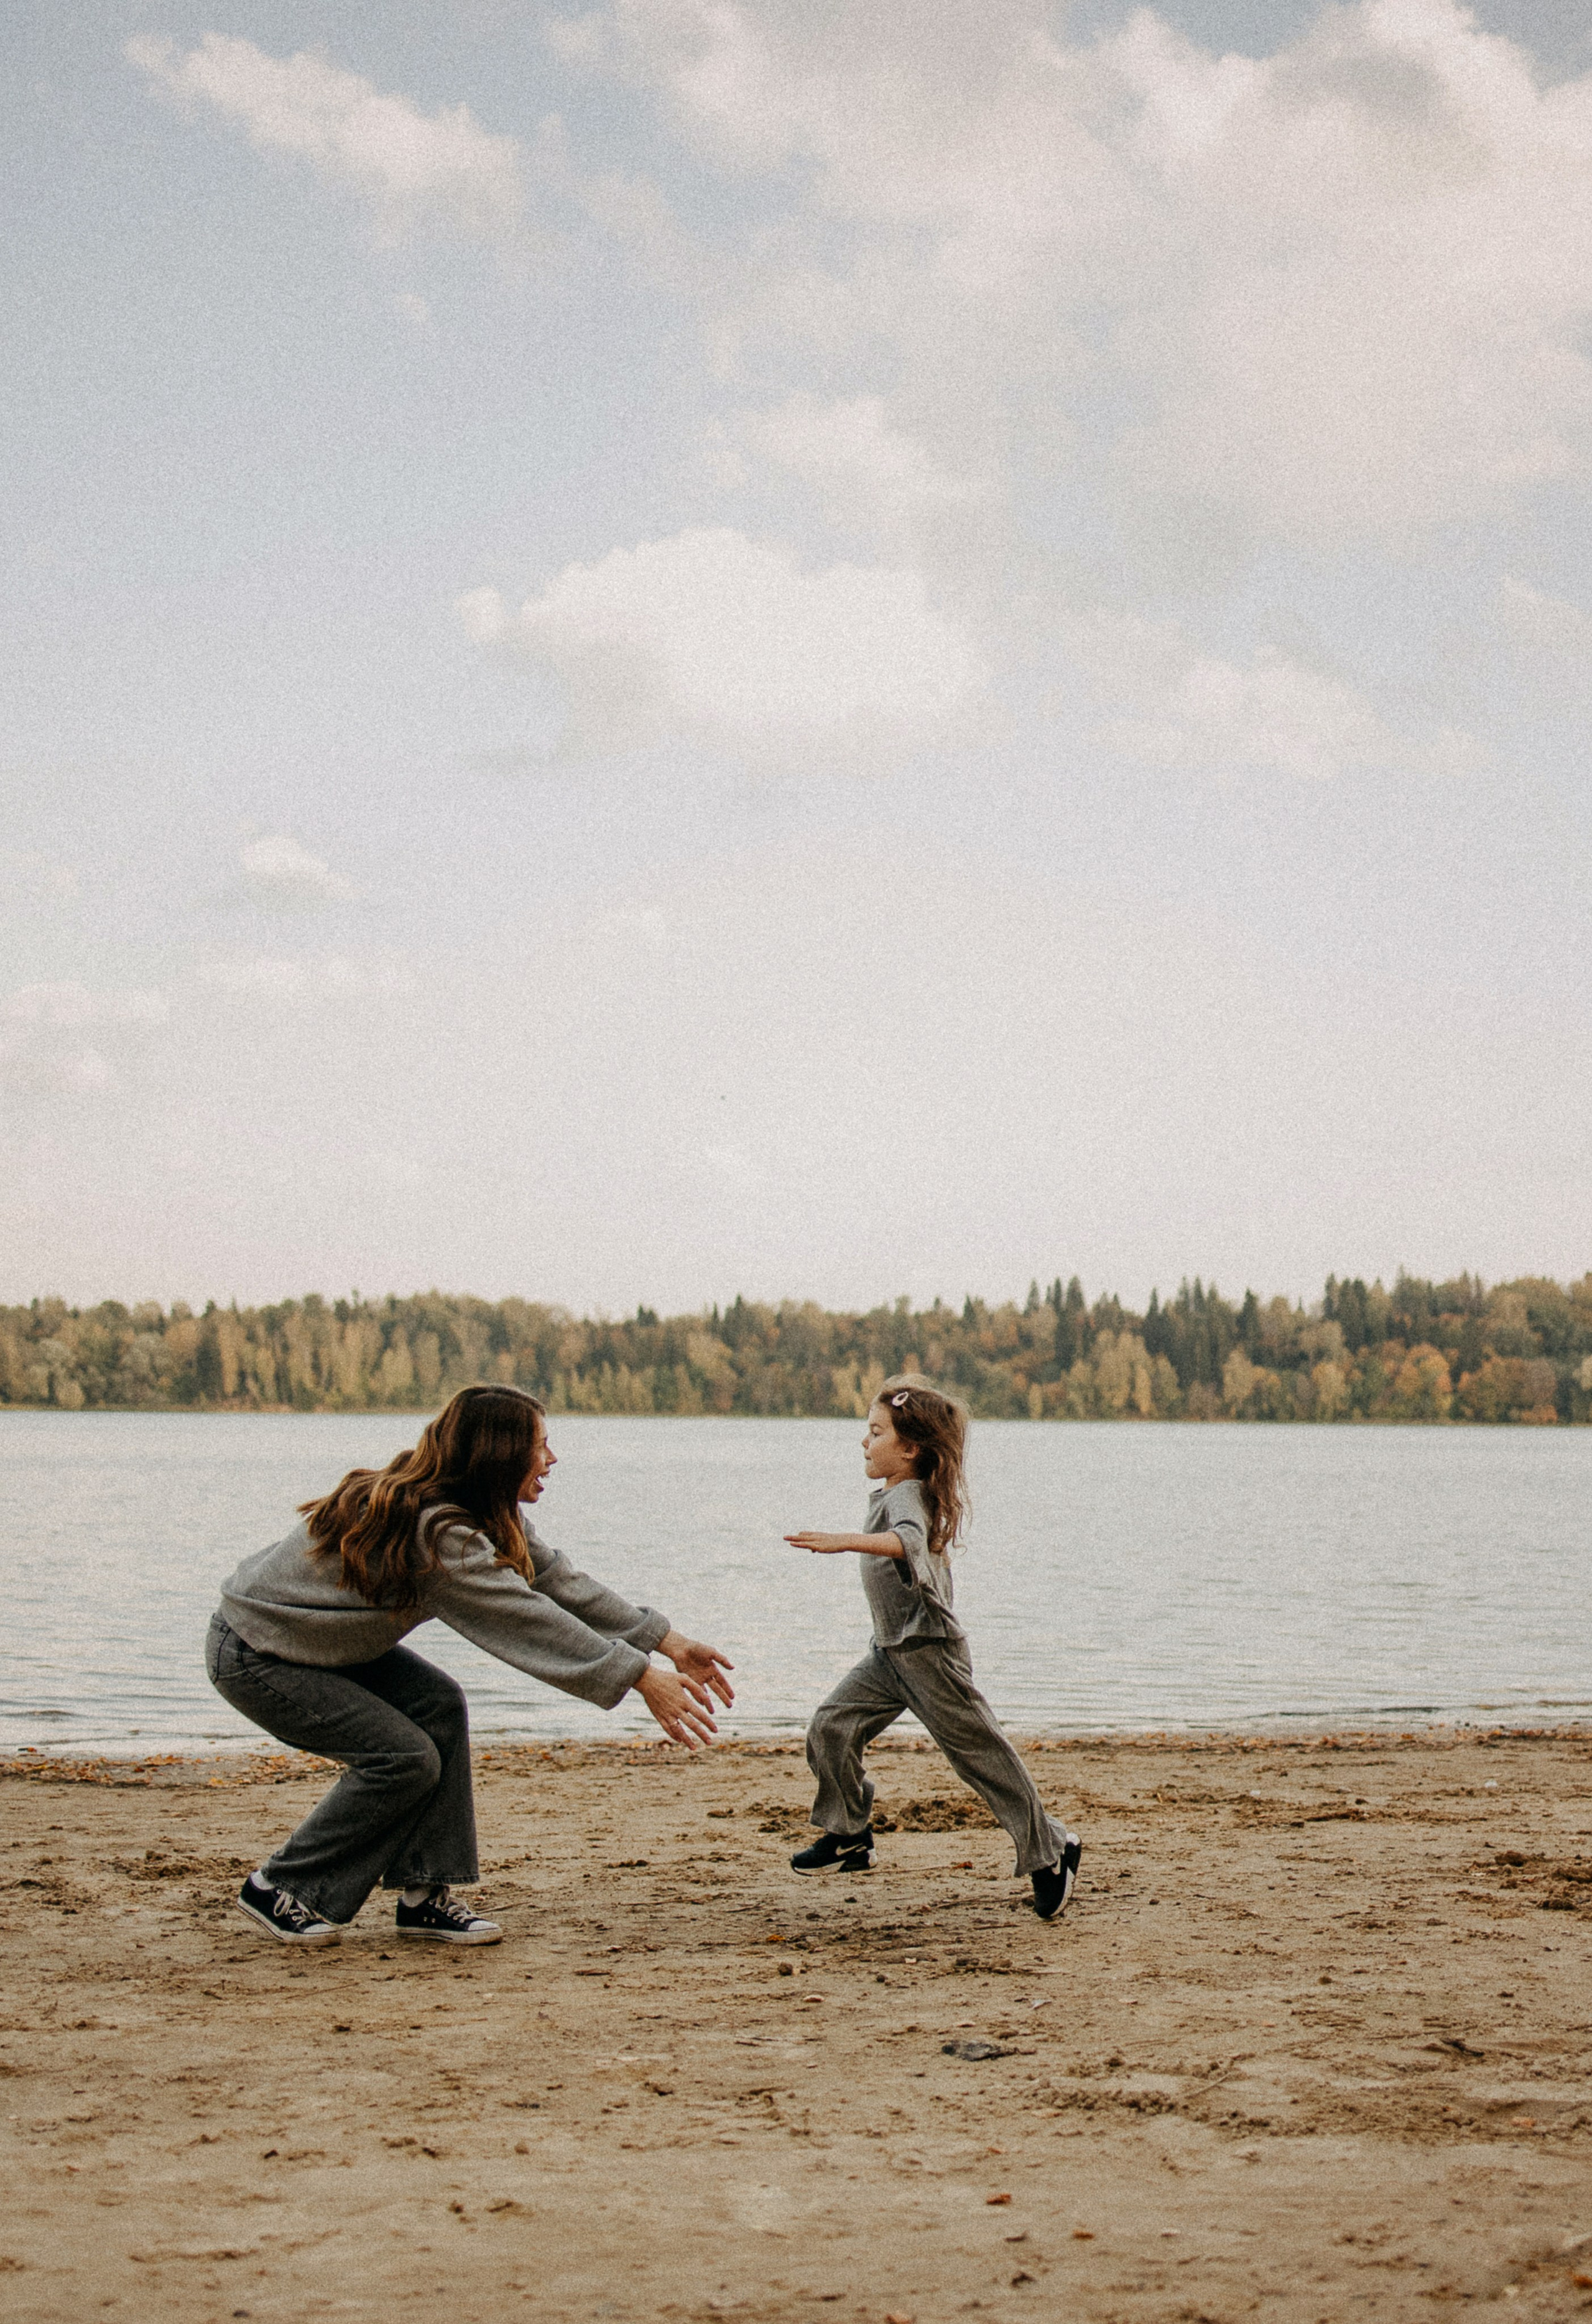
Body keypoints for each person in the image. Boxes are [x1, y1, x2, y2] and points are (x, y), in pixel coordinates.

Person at [206, 1382, 733, 1947]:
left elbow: (555, 1579)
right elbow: (526, 1620)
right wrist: (638, 1675)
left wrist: (667, 1641)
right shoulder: (440, 1538)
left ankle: (424, 1895)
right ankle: (282, 1886)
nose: (552, 1459)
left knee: (437, 1705)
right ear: (501, 1454)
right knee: (404, 1759)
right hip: (258, 1652)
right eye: (541, 1446)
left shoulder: (476, 1507)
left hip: (322, 1647)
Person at [784, 1374, 1080, 1920]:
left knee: (982, 1759)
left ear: (910, 1448)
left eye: (876, 1431)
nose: (865, 1442)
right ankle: (849, 1832)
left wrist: (842, 1540)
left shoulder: (908, 1496)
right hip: (889, 1655)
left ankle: (1051, 1852)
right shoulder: (895, 1492)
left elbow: (909, 1544)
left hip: (930, 1654)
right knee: (831, 1726)